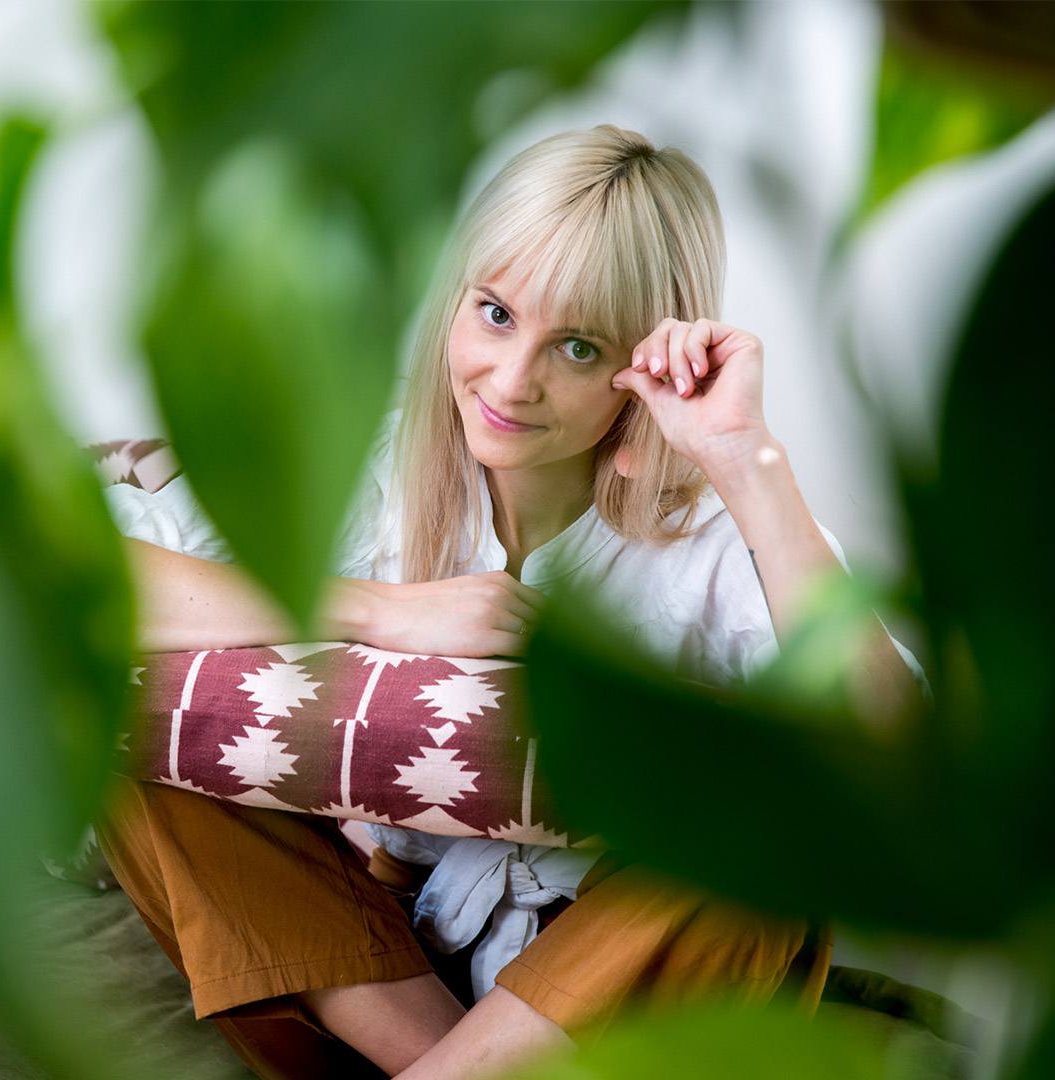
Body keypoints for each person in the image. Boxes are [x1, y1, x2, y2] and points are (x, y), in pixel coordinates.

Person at [95, 124, 929, 1079]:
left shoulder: (711, 536)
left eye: (576, 346)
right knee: (131, 739)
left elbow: (893, 755)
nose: (512, 379)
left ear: (639, 364)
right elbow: (93, 579)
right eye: (495, 314)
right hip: (378, 974)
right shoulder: (374, 471)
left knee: (763, 852)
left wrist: (750, 461)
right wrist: (381, 612)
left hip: (614, 996)